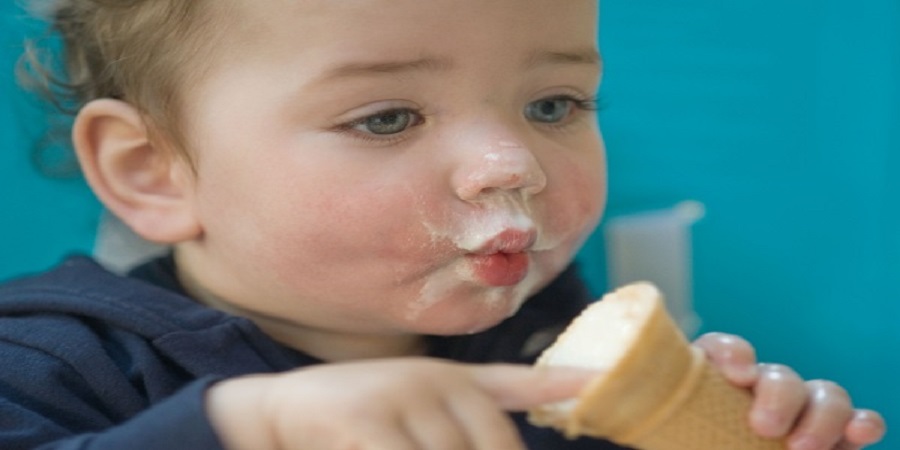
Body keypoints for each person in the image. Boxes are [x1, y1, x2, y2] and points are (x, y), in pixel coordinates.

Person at [0, 1, 886, 449]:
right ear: (150, 170)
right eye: (387, 118)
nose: (516, 166)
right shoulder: (49, 369)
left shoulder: (550, 345)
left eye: (554, 102)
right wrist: (248, 428)